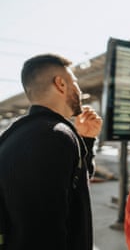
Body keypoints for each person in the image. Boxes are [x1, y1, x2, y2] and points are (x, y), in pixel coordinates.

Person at [0, 54, 103, 250]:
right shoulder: (52, 136)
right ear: (61, 84)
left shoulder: (21, 133)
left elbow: (73, 186)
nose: (79, 90)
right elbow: (43, 232)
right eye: (74, 82)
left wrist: (86, 140)